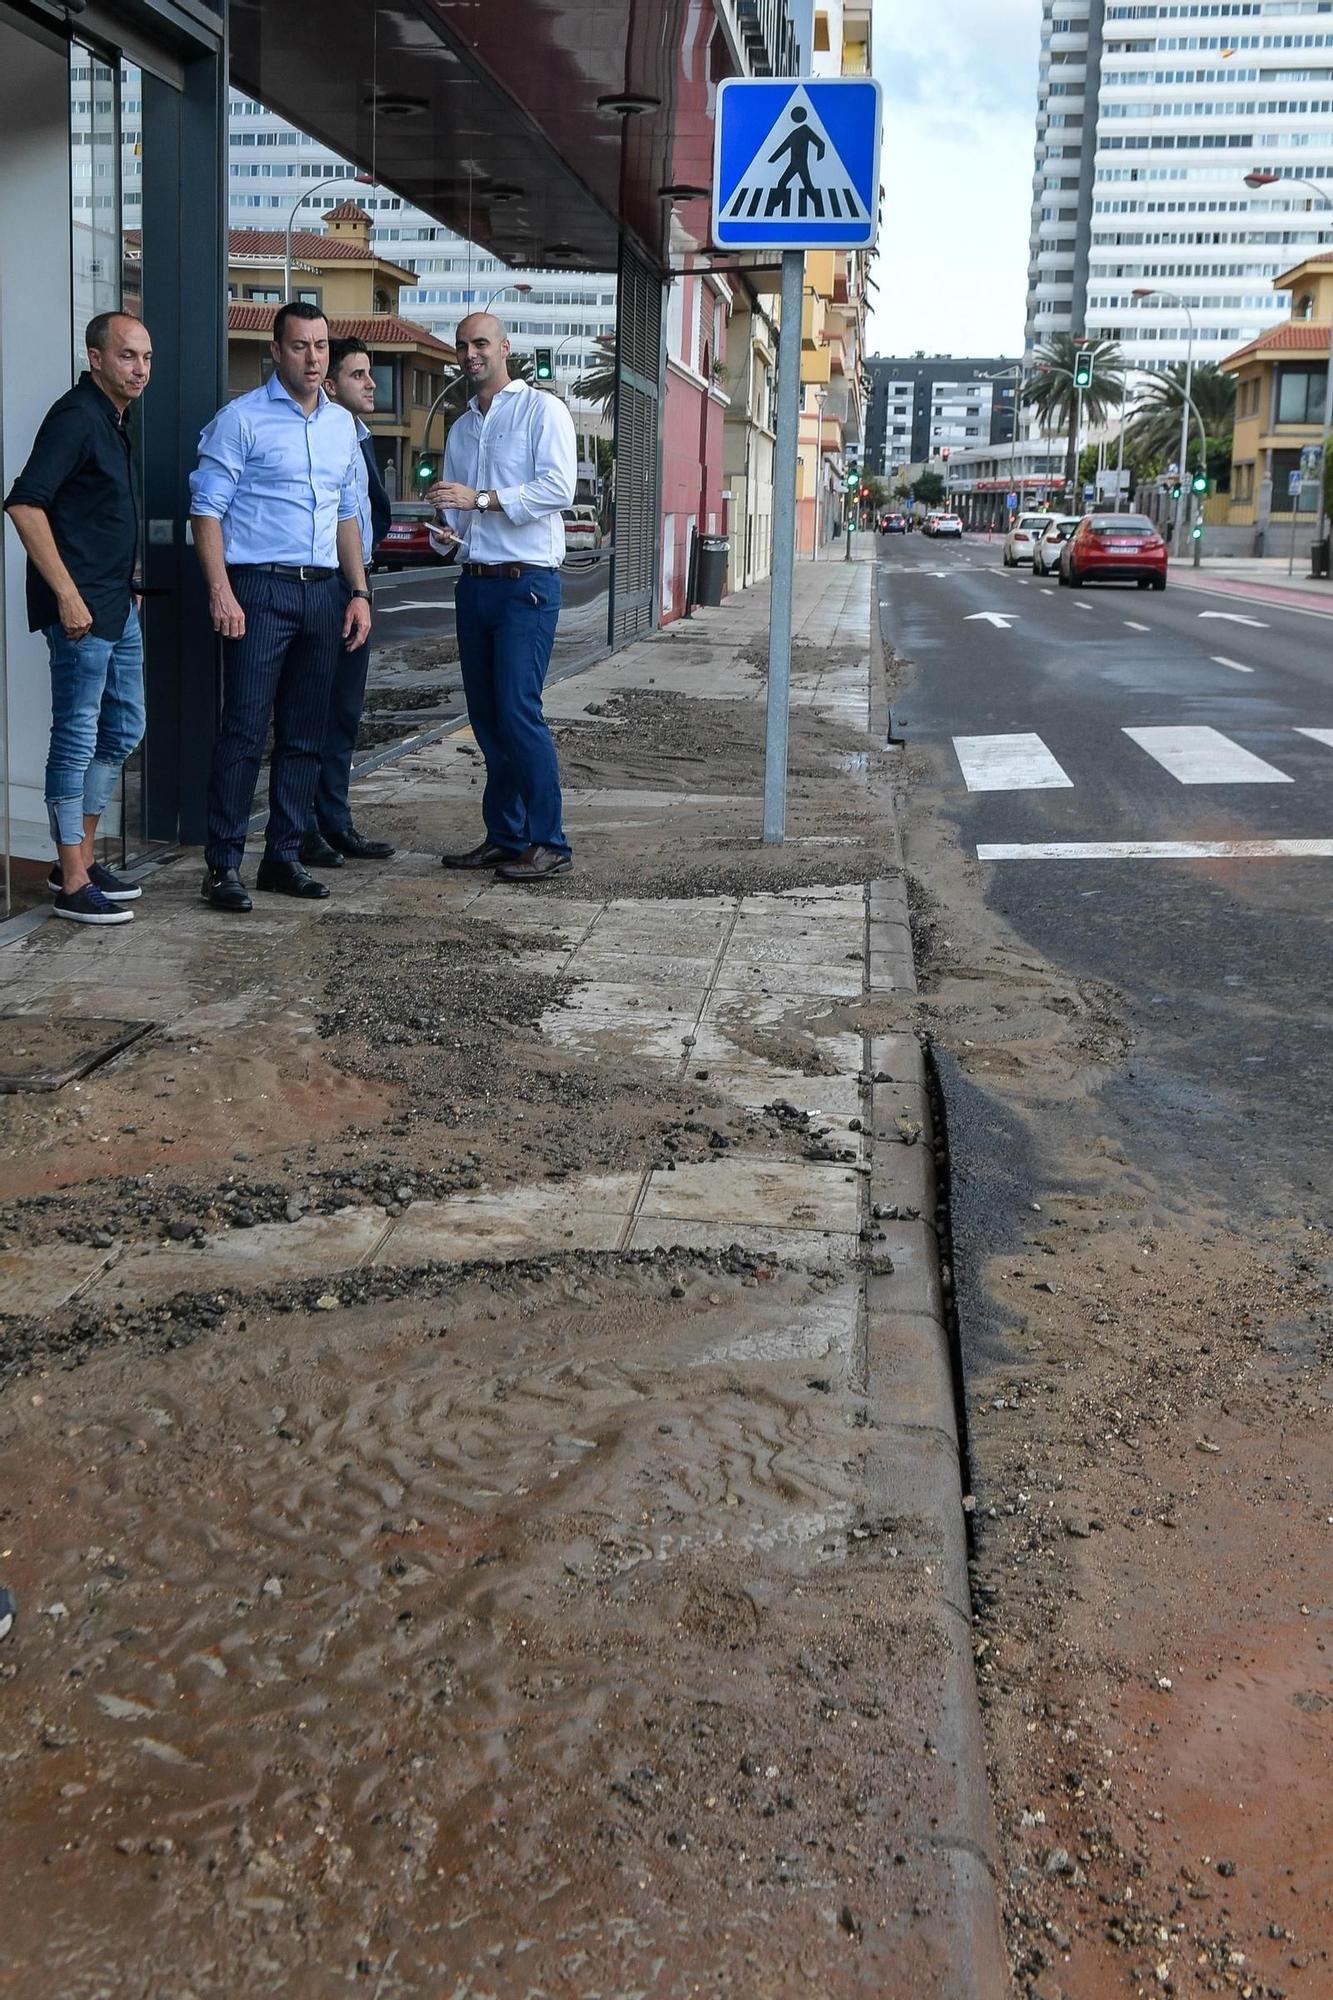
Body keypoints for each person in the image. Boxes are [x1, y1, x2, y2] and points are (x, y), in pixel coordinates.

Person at [189, 303, 371, 913]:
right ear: (276, 350)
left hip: (323, 591)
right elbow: (206, 510)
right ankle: (222, 865)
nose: (314, 358)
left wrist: (360, 593)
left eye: (320, 346)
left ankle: (283, 856)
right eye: (300, 346)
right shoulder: (240, 421)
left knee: (305, 733)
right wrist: (221, 590)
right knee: (243, 729)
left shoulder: (342, 427)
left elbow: (347, 516)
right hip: (258, 589)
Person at [3, 312, 153, 926]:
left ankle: (83, 862)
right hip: (82, 616)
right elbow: (24, 503)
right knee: (75, 740)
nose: (140, 368)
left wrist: (130, 579)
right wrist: (66, 594)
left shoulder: (115, 420)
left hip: (116, 607)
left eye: (145, 357)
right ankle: (70, 880)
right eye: (127, 356)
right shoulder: (76, 417)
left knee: (123, 730)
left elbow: (98, 514)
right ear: (95, 358)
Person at [428, 313, 577, 882]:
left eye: (480, 343)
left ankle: (550, 841)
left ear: (505, 348)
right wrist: (448, 532)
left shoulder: (543, 410)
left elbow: (559, 488)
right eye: (462, 345)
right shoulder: (462, 427)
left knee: (519, 712)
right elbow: (457, 512)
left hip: (526, 586)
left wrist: (482, 497)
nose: (470, 354)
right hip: (476, 583)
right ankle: (506, 835)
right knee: (487, 719)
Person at [299, 336, 395, 869]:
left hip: (356, 585)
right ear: (330, 384)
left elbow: (361, 515)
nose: (371, 383)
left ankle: (335, 822)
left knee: (343, 714)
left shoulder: (357, 438)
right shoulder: (324, 440)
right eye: (358, 374)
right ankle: (305, 827)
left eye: (370, 372)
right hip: (327, 585)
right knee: (312, 711)